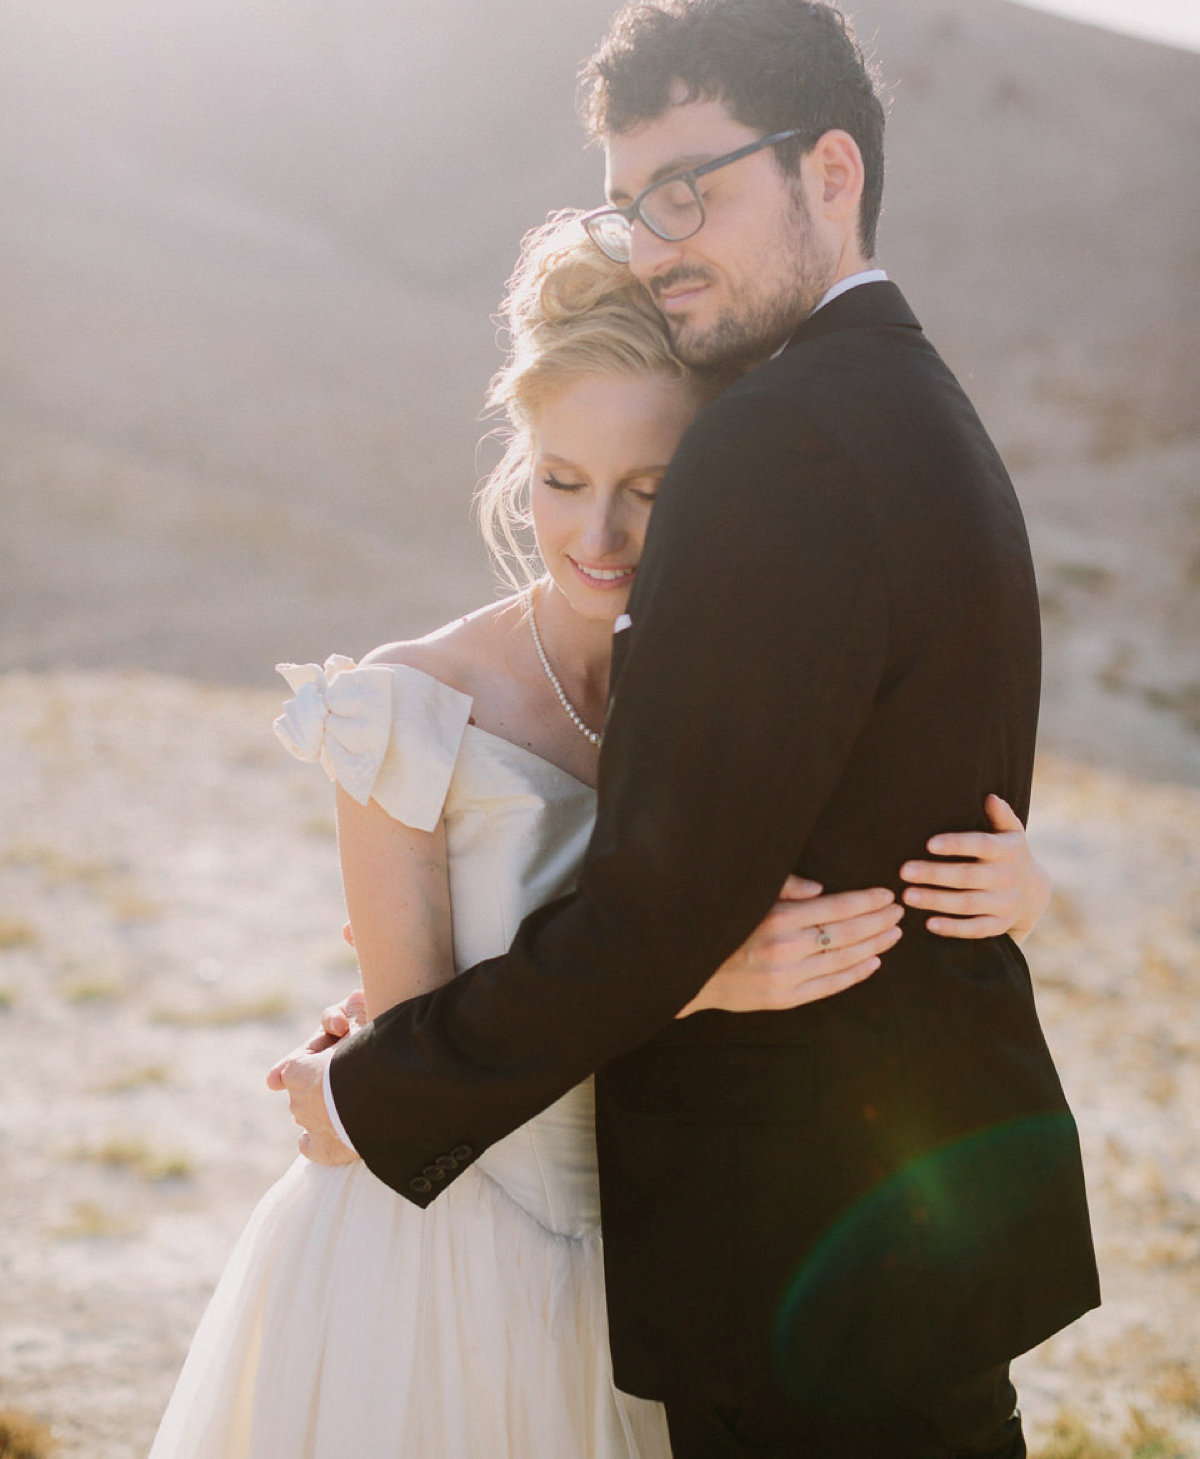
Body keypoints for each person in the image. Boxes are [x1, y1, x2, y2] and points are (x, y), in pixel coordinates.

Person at [282, 0, 1100, 1457]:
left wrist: (376, 1090)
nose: (654, 246)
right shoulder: (924, 407)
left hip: (796, 1251)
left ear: (828, 170)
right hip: (917, 1225)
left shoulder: (778, 440)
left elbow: (664, 911)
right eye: (625, 206)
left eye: (686, 192)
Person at [149, 217, 1050, 1459]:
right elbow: (422, 1057)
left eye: (652, 490)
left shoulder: (743, 693)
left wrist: (1017, 886)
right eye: (561, 480)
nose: (598, 538)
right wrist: (689, 983)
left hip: (675, 1247)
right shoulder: (408, 706)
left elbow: (892, 839)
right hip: (452, 1250)